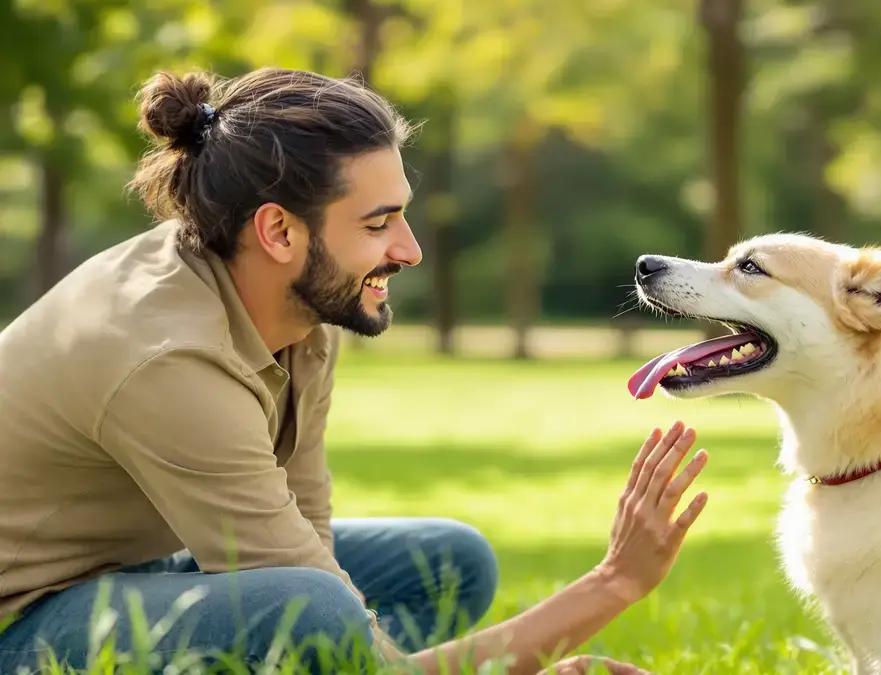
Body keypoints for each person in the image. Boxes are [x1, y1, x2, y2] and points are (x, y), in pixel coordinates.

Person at [0, 67, 710, 674]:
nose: (410, 249)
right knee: (315, 612)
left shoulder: (296, 303)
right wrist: (612, 583)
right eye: (379, 224)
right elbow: (323, 614)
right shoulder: (167, 360)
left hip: (134, 577)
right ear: (279, 231)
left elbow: (313, 551)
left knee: (448, 562)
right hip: (24, 628)